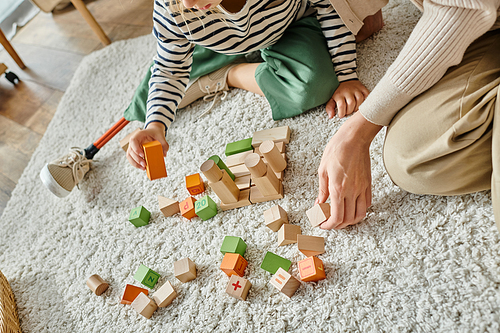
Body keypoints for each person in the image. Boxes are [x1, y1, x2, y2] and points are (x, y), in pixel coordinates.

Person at [124, 0, 376, 171]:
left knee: (313, 85)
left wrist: (346, 75)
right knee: (146, 101)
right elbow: (169, 69)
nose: (188, 2)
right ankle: (222, 59)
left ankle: (228, 74)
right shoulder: (175, 8)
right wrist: (155, 125)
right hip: (218, 39)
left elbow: (330, 8)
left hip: (287, 27)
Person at [316, 0, 500, 230]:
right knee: (411, 160)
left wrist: (358, 131)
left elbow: (461, 10)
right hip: (487, 20)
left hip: (469, 11)